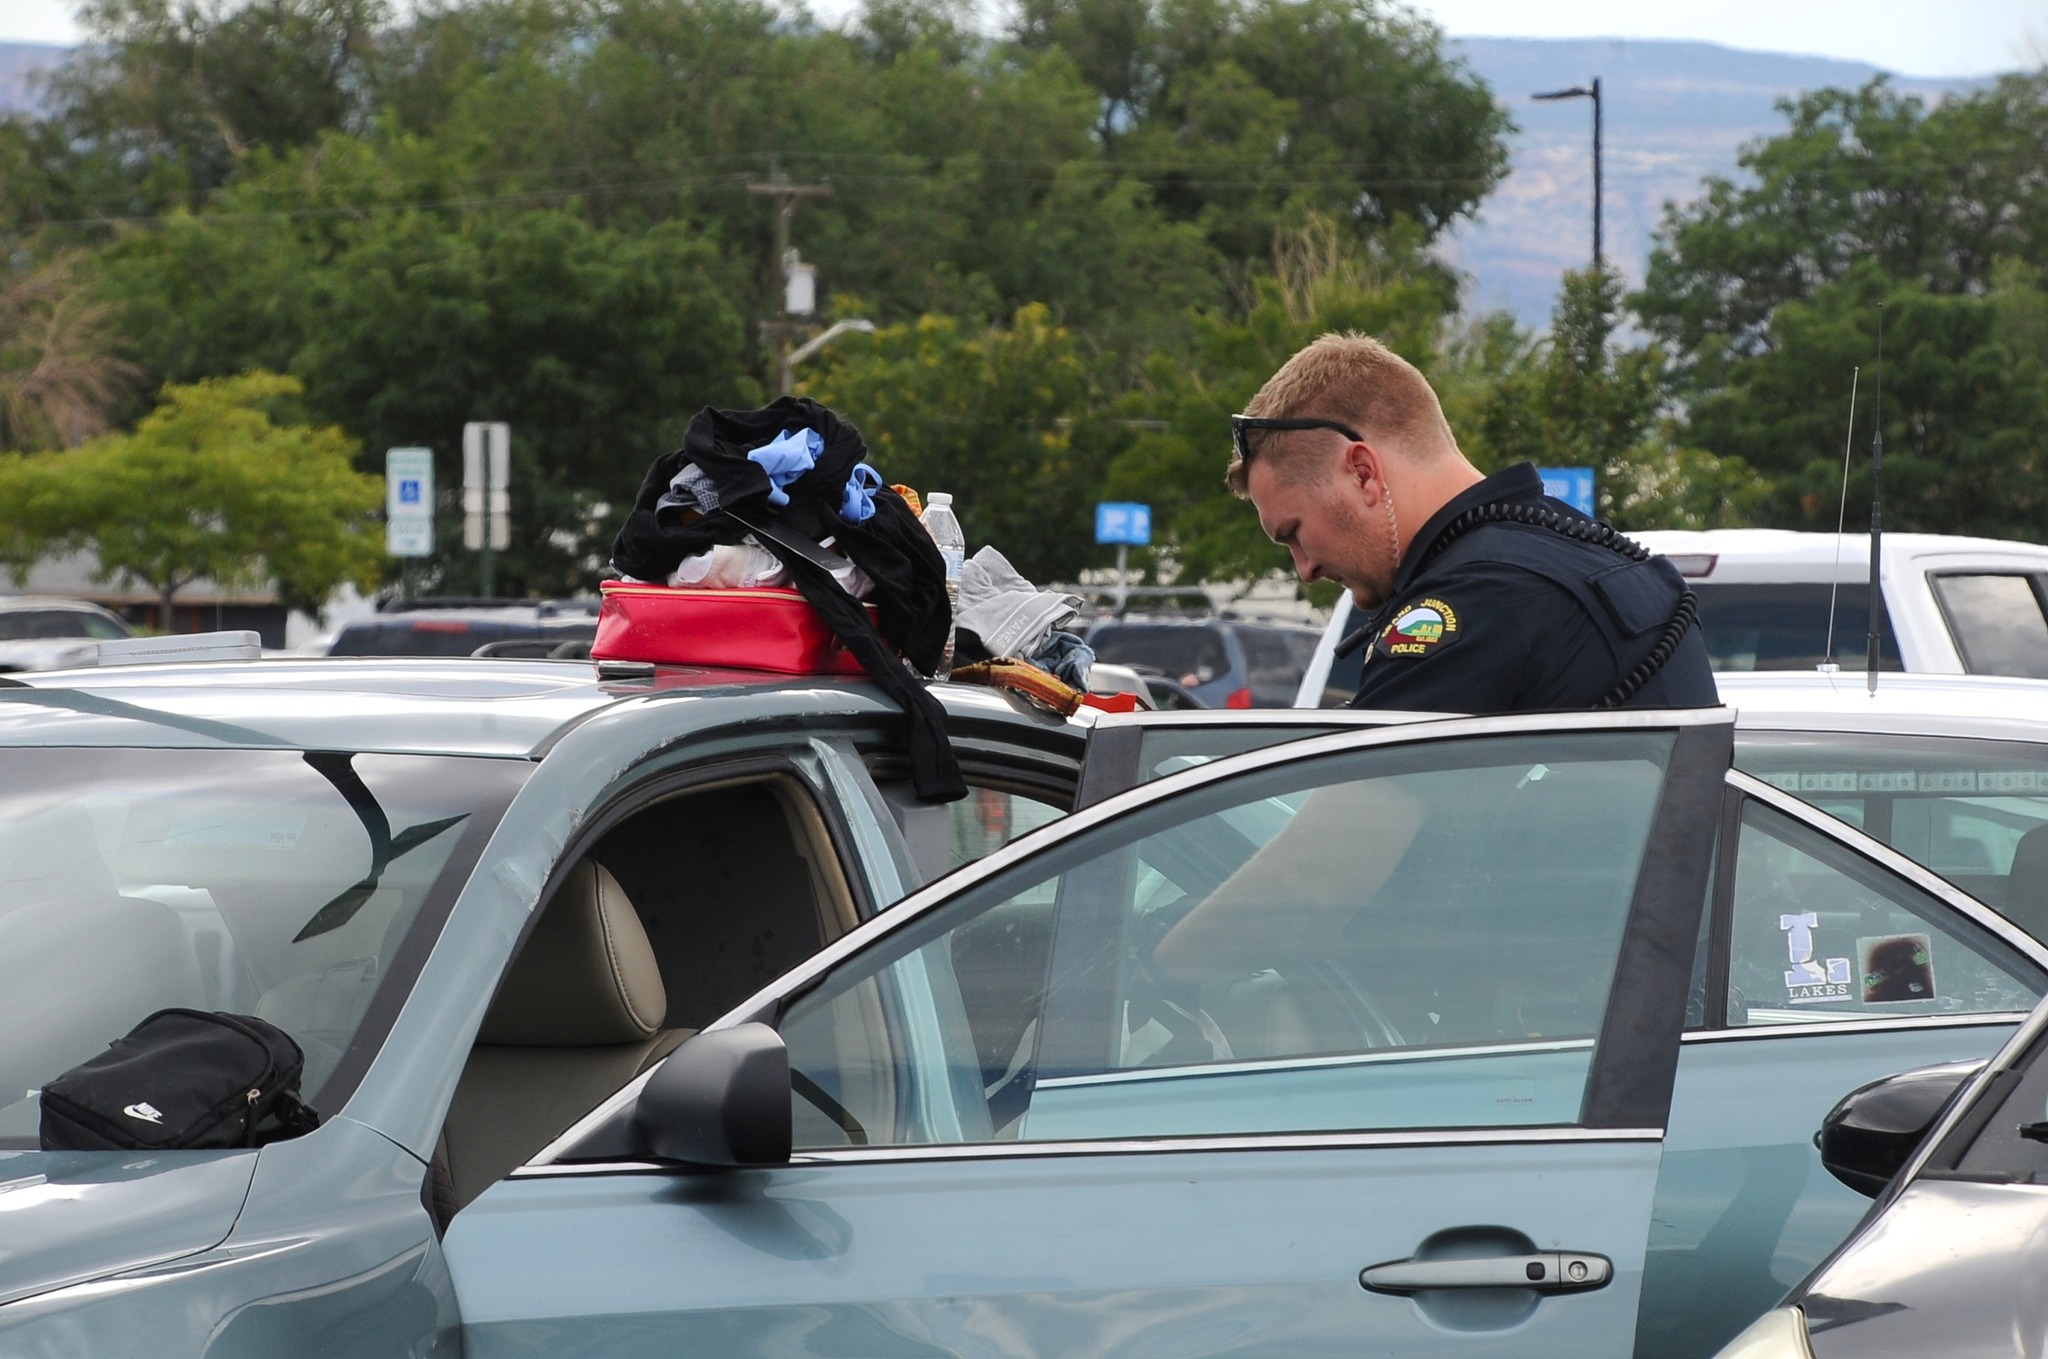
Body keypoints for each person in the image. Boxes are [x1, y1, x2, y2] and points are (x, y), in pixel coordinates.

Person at [1228, 332, 1718, 713]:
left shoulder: (1471, 600)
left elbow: (1349, 832)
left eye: (1293, 533)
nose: (1304, 568)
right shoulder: (1578, 555)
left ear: (1362, 473)